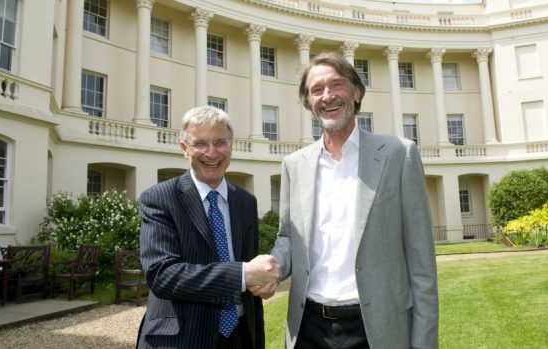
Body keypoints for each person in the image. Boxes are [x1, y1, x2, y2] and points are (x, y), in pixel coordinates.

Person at [255, 52, 439, 349]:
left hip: (375, 328)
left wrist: (423, 343)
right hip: (308, 327)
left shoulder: (398, 154)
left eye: (336, 85)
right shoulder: (294, 165)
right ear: (308, 102)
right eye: (317, 90)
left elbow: (421, 260)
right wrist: (273, 267)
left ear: (356, 92)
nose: (327, 96)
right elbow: (289, 237)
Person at [137, 106, 279, 349]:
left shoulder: (246, 202)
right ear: (185, 149)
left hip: (239, 337)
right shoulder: (159, 198)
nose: (211, 153)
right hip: (182, 339)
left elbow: (249, 267)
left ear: (231, 146)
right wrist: (243, 276)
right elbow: (162, 275)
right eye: (200, 143)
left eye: (220, 142)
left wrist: (261, 284)